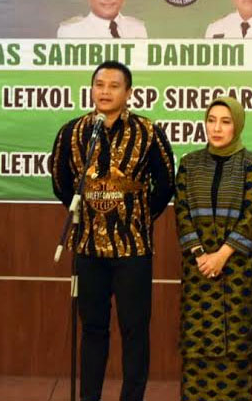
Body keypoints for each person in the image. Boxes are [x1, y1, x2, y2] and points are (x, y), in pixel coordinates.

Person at [48, 61, 174, 401]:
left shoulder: (148, 133)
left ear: (128, 92)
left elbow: (165, 184)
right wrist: (89, 212)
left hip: (133, 250)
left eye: (114, 86)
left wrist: (139, 216)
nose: (105, 91)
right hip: (88, 248)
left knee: (134, 331)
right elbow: (60, 181)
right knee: (92, 329)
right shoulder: (72, 132)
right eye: (99, 84)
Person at [174, 97, 252, 401]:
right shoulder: (189, 164)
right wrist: (201, 256)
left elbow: (251, 215)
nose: (216, 128)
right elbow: (182, 212)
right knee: (196, 346)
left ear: (237, 126)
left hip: (236, 271)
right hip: (198, 270)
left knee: (235, 347)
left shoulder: (251, 165)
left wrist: (222, 255)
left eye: (225, 122)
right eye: (211, 120)